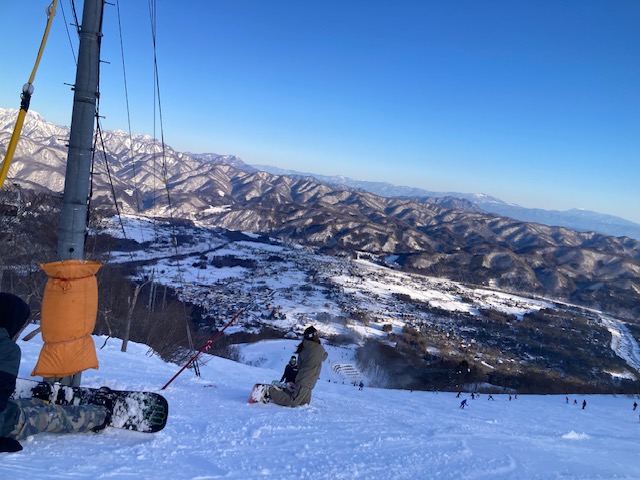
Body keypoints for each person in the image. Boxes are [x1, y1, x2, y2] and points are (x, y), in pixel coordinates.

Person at [0, 293, 111, 452]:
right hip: (5, 422)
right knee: (54, 416)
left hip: (5, 412)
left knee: (16, 406)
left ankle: (39, 402)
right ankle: (101, 414)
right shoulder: (7, 349)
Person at [267, 326, 327, 407]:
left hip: (305, 380)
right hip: (306, 382)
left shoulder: (303, 347)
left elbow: (299, 366)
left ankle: (283, 390)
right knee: (293, 401)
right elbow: (324, 356)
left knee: (304, 403)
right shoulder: (318, 348)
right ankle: (269, 391)